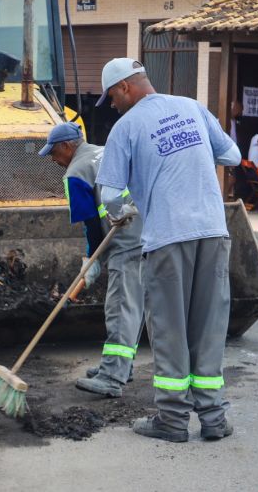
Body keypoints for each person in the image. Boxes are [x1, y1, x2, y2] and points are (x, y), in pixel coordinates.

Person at [94, 58, 240, 443]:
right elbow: (233, 156)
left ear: (124, 88)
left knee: (170, 329)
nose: (112, 106)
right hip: (212, 232)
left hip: (166, 239)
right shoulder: (193, 107)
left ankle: (173, 421)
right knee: (208, 326)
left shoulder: (125, 127)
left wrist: (123, 210)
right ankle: (213, 419)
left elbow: (109, 194)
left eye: (111, 97)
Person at [38, 122, 144, 398]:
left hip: (125, 240)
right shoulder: (105, 151)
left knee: (120, 307)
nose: (53, 159)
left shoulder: (76, 172)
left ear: (67, 146)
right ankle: (122, 366)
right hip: (148, 231)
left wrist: (90, 259)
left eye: (54, 153)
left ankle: (112, 376)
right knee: (133, 305)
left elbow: (90, 223)